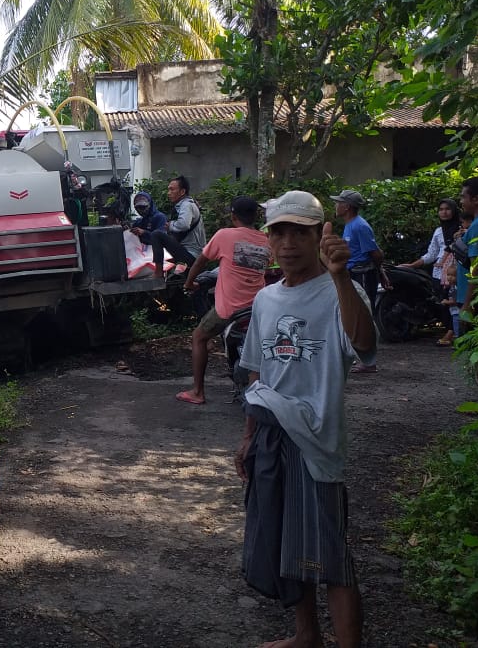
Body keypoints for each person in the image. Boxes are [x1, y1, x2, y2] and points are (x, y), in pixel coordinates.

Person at [236, 190, 375, 648]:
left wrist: (341, 277)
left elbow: (365, 348)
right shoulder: (266, 299)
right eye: (280, 232)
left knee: (331, 554)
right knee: (282, 542)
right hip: (271, 435)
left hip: (316, 441)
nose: (289, 242)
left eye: (301, 232)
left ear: (320, 236)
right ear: (269, 239)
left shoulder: (341, 292)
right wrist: (249, 437)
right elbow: (258, 370)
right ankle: (306, 636)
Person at [177, 196, 271, 405]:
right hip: (258, 309)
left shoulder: (224, 235)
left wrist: (189, 283)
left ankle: (198, 391)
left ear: (233, 215)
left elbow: (201, 262)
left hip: (228, 310)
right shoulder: (266, 240)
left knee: (199, 337)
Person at [330, 188, 388, 373]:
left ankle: (369, 362)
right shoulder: (351, 225)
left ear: (346, 207)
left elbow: (375, 253)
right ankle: (360, 357)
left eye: (338, 202)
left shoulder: (359, 226)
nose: (335, 205)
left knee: (363, 313)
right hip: (354, 273)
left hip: (362, 273)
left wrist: (380, 272)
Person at [397, 198, 459, 345]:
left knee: (455, 302)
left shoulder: (461, 228)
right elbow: (431, 254)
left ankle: (452, 333)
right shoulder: (438, 231)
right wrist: (412, 265)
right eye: (441, 209)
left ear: (454, 210)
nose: (444, 212)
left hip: (456, 272)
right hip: (439, 273)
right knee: (442, 303)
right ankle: (451, 330)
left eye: (447, 209)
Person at [148, 175, 206, 279]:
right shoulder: (183, 205)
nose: (168, 193)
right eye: (168, 189)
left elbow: (184, 224)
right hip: (189, 253)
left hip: (191, 255)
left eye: (172, 189)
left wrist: (171, 225)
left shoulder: (186, 205)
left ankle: (158, 272)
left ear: (182, 192)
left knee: (156, 235)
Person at [457, 177, 478, 333]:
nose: (461, 201)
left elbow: (476, 267)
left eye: (463, 197)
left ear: (476, 199)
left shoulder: (477, 226)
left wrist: (467, 305)